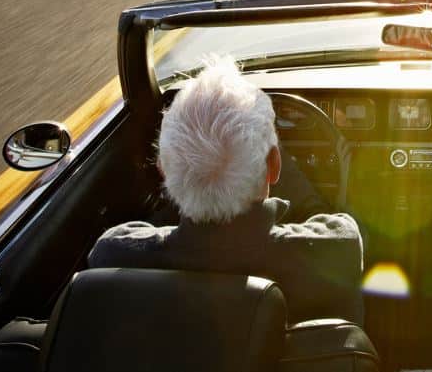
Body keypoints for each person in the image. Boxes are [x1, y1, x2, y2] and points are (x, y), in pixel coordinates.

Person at [88, 58, 364, 324]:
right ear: (274, 165)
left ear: (163, 170)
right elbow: (340, 229)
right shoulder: (336, 249)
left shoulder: (113, 257)